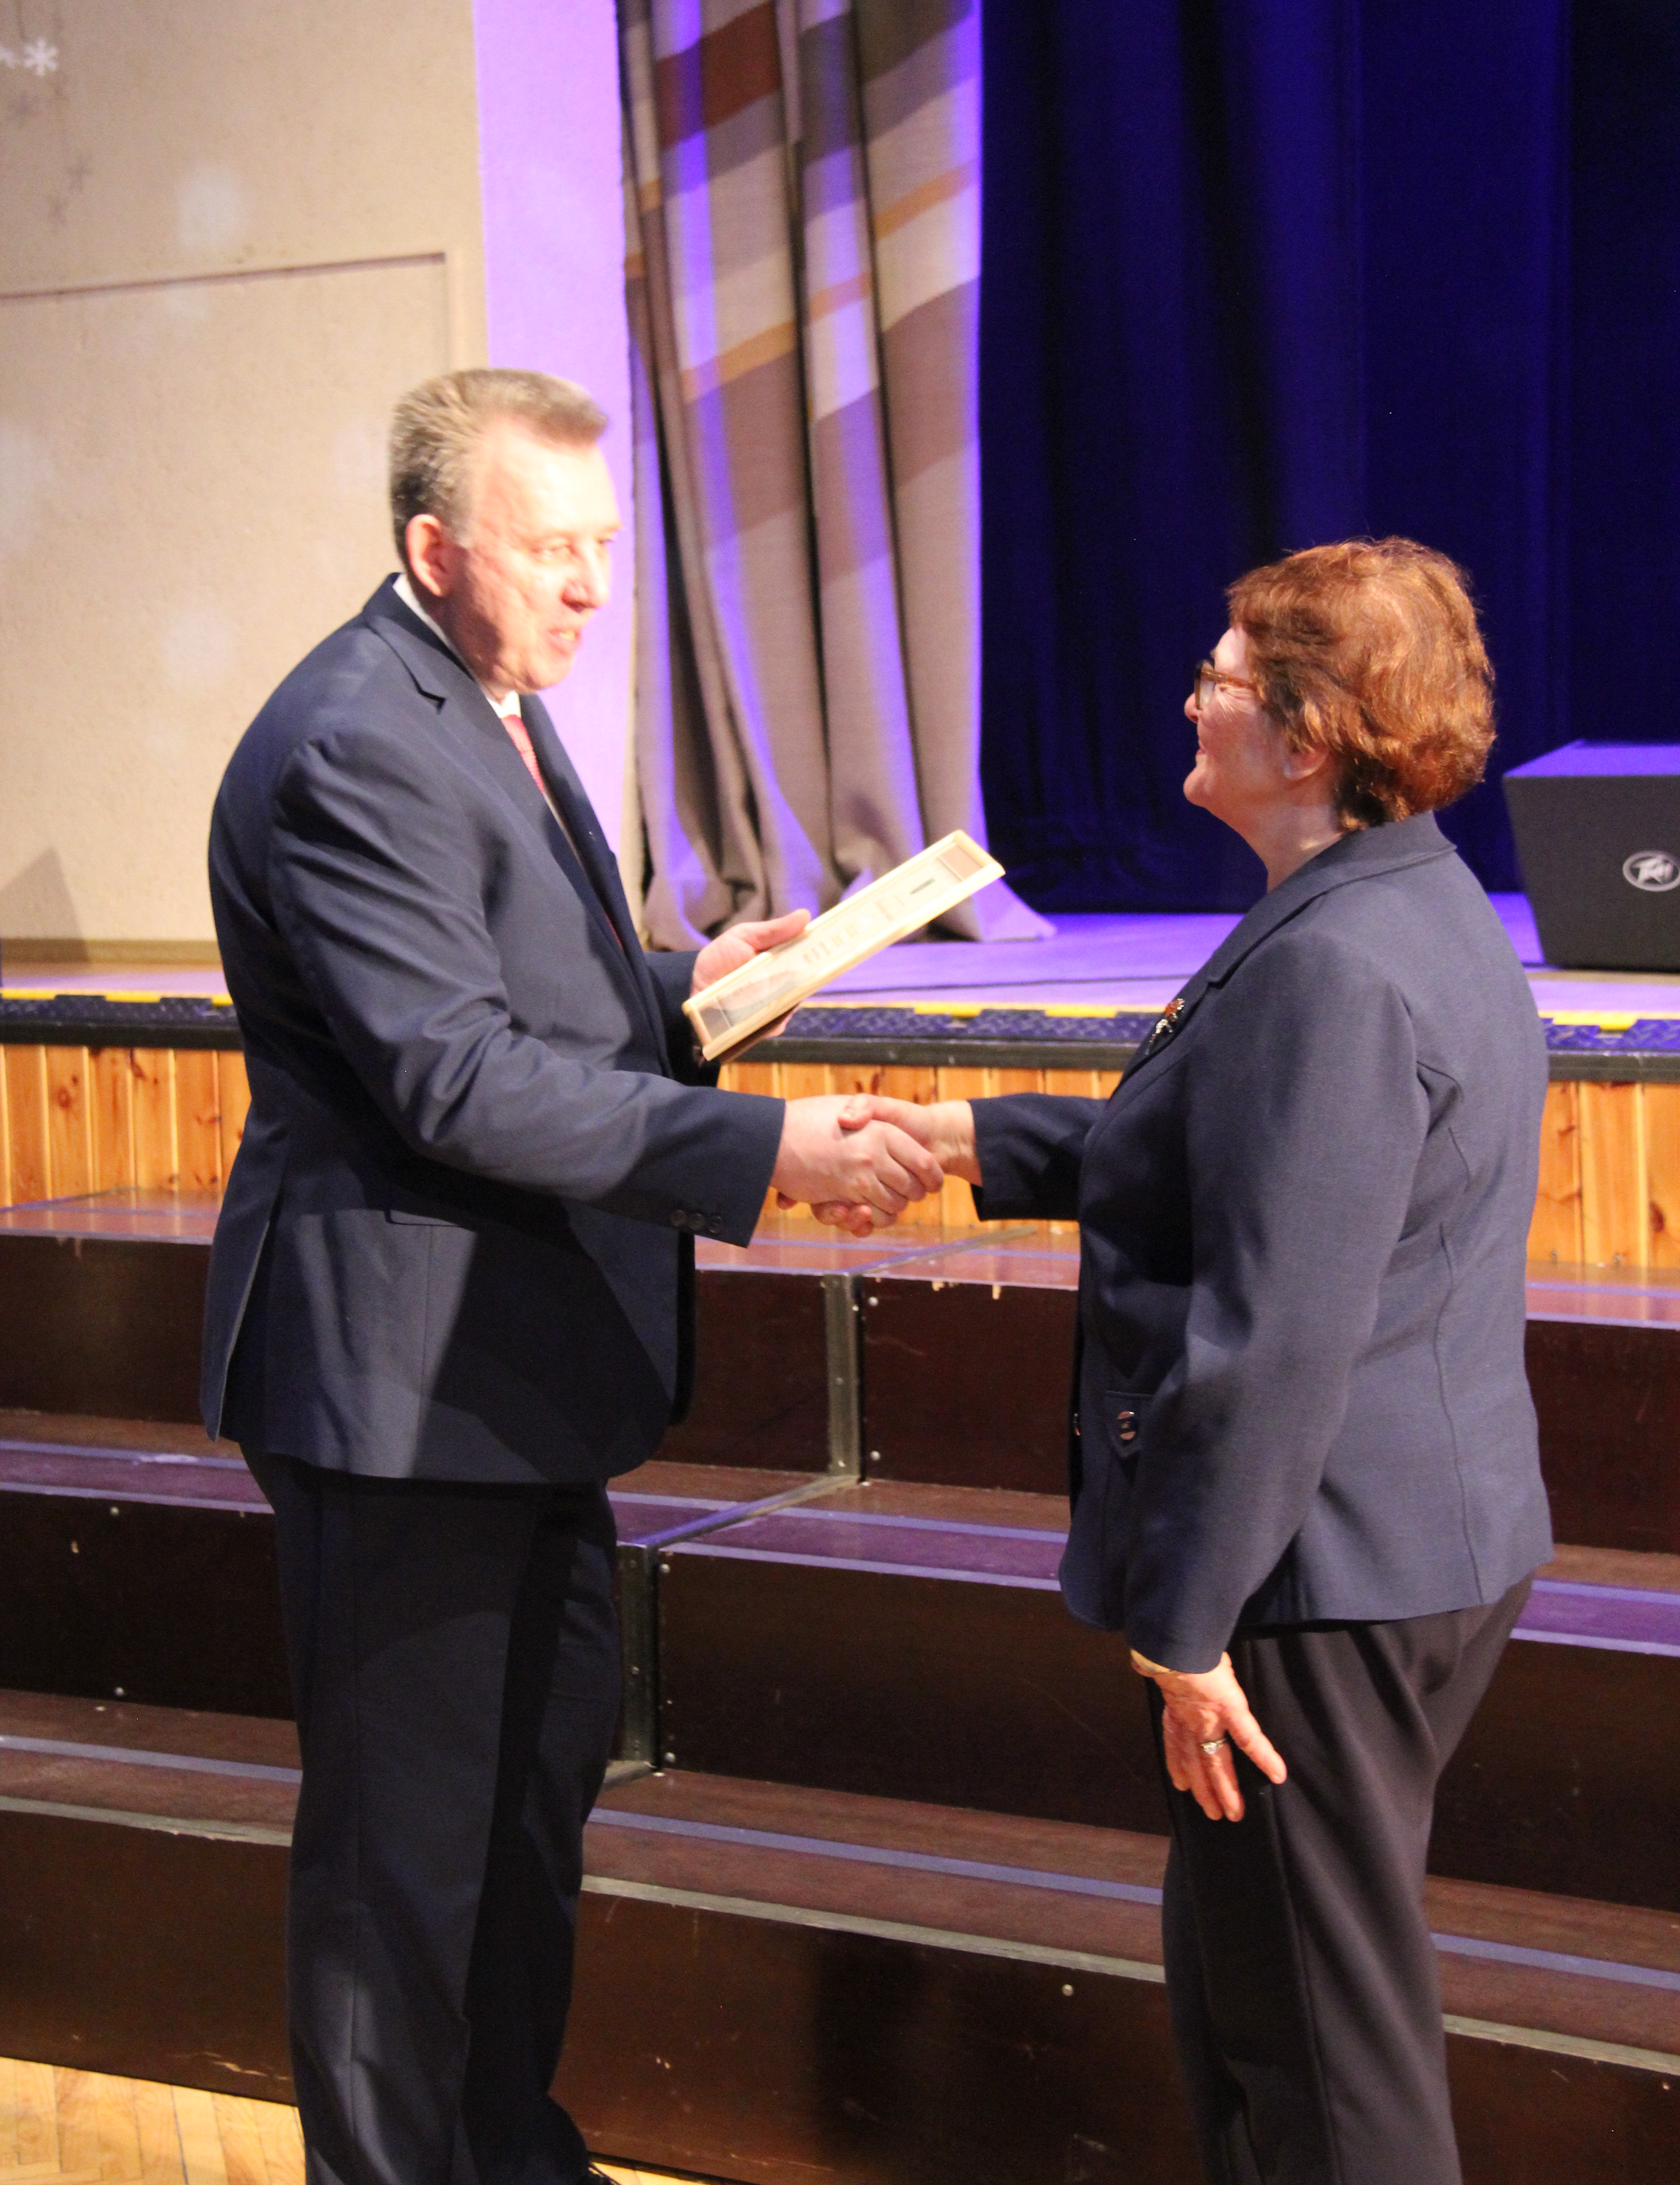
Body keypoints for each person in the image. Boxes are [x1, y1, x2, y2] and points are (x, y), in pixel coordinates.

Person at [201, 367, 940, 2185]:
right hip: (400, 1394)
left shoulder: (486, 700)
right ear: (434, 549)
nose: (594, 584)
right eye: (553, 548)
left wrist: (695, 994)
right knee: (401, 1871)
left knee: (523, 1832)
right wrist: (764, 1153)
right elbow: (452, 1076)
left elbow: (527, 999)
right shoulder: (358, 739)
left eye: (606, 543)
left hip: (512, 1379)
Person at [837, 539, 1553, 2185]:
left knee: (1323, 2062)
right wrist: (968, 1137)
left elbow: (1273, 1332)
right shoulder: (1401, 902)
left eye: (1220, 678)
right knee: (1258, 2009)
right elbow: (1233, 1157)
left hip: (1315, 1578)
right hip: (1399, 1543)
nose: (1189, 699)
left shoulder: (1334, 968)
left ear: (1308, 737)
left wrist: (1187, 1628)